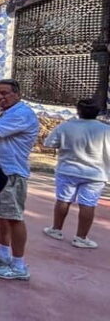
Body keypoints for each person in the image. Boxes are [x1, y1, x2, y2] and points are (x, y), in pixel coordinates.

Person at [0, 78, 39, 281]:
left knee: (14, 217)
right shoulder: (9, 114)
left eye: (5, 93)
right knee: (2, 215)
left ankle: (18, 265)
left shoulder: (21, 114)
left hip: (12, 172)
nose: (0, 96)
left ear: (18, 94)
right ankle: (3, 253)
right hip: (2, 170)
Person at [42, 99, 110, 249]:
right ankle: (81, 237)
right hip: (96, 173)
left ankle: (56, 229)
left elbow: (48, 143)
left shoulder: (66, 126)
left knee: (63, 200)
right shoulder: (106, 130)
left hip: (68, 169)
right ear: (98, 112)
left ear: (78, 110)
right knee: (88, 204)